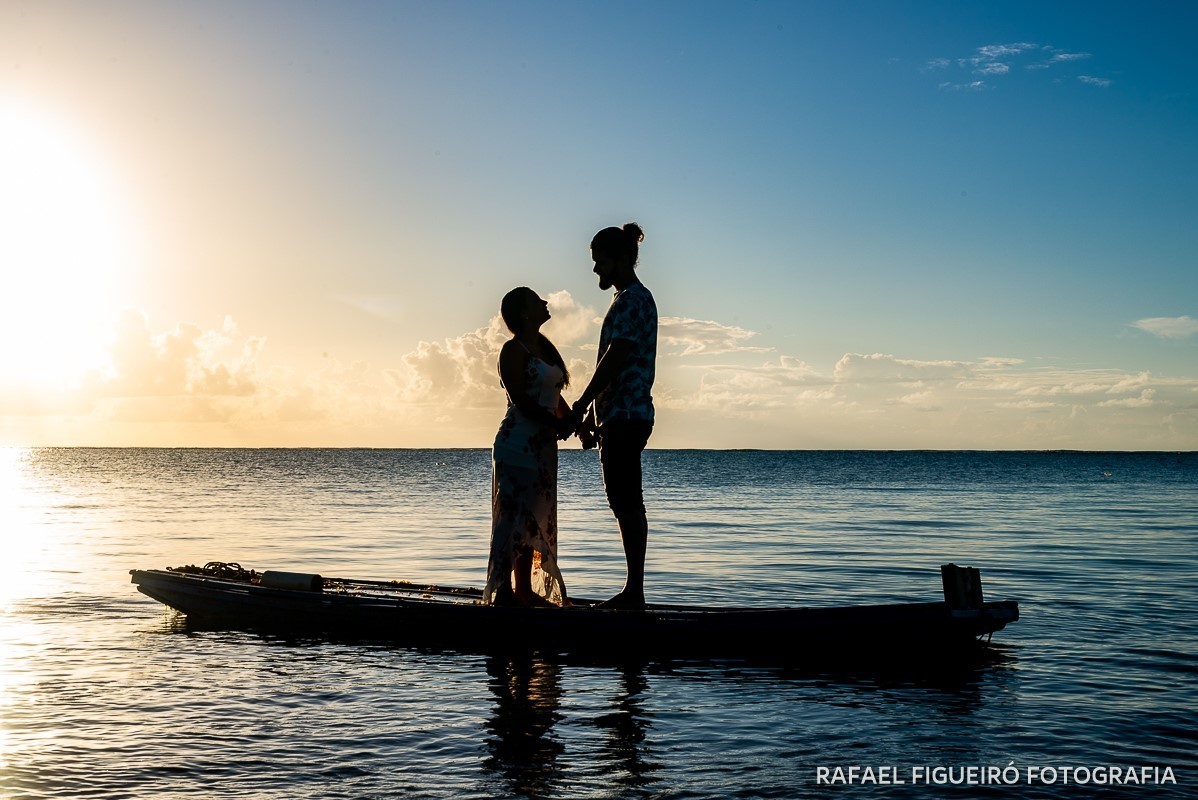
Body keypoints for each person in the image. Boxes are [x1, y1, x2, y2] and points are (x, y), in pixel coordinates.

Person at [570, 222, 657, 610]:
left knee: (626, 501)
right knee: (623, 500)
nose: (595, 270)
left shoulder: (631, 300)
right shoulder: (626, 299)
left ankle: (633, 593)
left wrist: (582, 401)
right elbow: (614, 363)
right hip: (619, 416)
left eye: (599, 261)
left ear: (620, 259)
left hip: (626, 414)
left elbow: (616, 356)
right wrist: (592, 414)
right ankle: (633, 592)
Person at [485, 287, 576, 607]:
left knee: (532, 520)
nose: (545, 303)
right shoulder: (513, 350)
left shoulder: (544, 348)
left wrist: (577, 425)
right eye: (537, 301)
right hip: (517, 444)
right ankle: (504, 593)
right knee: (513, 518)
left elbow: (555, 397)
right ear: (523, 312)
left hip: (543, 450)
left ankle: (523, 590)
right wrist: (558, 425)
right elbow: (522, 401)